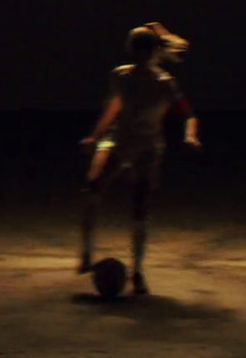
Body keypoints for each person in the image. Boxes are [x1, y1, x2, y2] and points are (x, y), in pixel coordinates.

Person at [77, 21, 200, 295]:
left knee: (139, 208)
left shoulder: (165, 83)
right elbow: (113, 109)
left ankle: (137, 271)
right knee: (93, 189)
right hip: (118, 142)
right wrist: (95, 137)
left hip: (146, 148)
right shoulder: (121, 76)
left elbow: (188, 115)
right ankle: (87, 255)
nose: (140, 56)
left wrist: (191, 136)